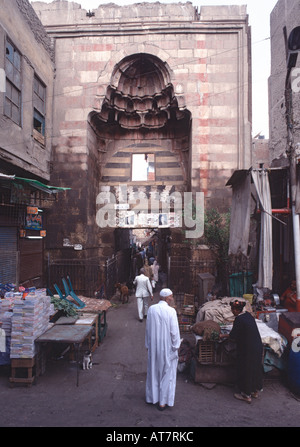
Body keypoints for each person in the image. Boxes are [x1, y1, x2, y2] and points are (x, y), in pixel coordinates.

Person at [145, 288, 181, 411]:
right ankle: (163, 402)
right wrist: (176, 346)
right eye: (171, 296)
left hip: (154, 346)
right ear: (166, 298)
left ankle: (152, 398)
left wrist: (148, 345)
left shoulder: (151, 309)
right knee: (167, 373)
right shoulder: (171, 311)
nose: (172, 298)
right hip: (167, 346)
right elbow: (174, 332)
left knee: (154, 371)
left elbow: (148, 329)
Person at [223, 299, 263, 404]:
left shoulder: (239, 320)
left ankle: (246, 395)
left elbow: (233, 336)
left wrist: (222, 335)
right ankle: (254, 391)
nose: (232, 311)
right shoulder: (248, 316)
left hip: (248, 349)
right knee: (255, 368)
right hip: (257, 347)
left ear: (236, 310)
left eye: (232, 309)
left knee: (246, 369)